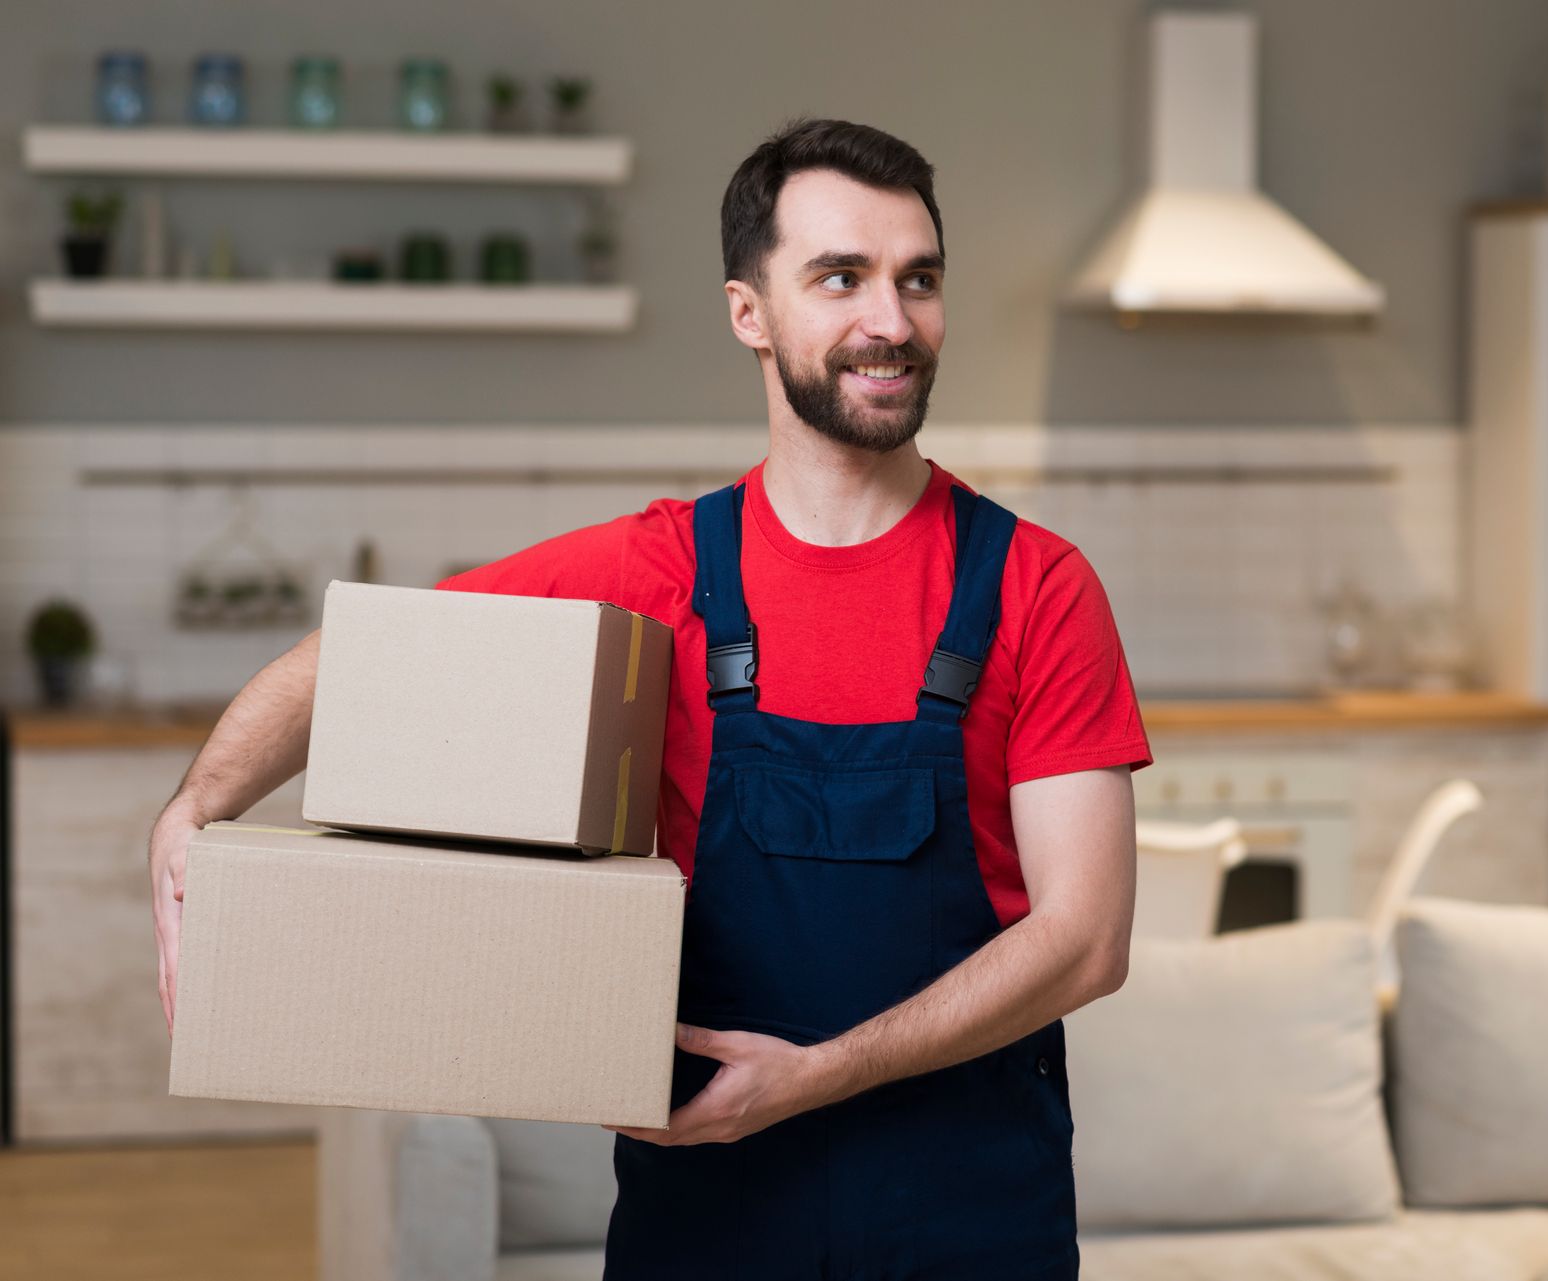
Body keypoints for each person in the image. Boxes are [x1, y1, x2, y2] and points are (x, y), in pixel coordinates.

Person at [148, 116, 1152, 1279]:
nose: (892, 321)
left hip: (971, 1219)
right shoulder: (656, 572)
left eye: (918, 279)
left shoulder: (1037, 588)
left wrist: (820, 1075)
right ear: (749, 314)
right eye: (841, 278)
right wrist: (195, 806)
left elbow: (1086, 941)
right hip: (708, 1219)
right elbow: (357, 660)